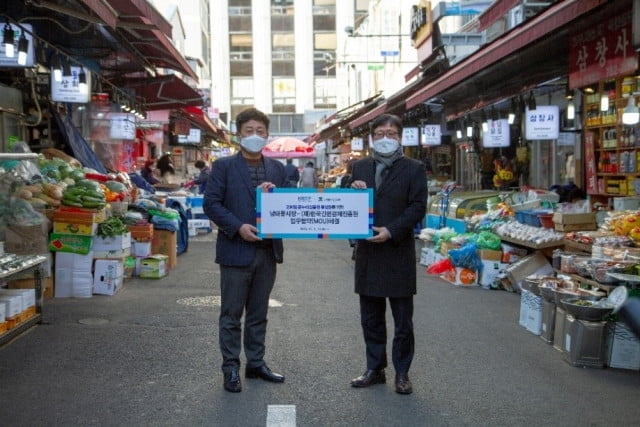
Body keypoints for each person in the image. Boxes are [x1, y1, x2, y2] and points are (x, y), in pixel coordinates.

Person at [203, 107, 287, 393]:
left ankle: (256, 363)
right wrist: (238, 227)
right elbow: (211, 204)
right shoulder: (224, 167)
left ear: (268, 135)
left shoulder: (277, 168)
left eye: (260, 131)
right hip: (235, 250)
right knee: (230, 314)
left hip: (267, 252)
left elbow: (288, 206)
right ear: (238, 135)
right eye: (249, 131)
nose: (255, 136)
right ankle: (230, 368)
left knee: (258, 313)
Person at [349, 114, 427, 395]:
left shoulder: (414, 169)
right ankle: (375, 368)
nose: (386, 138)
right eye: (380, 133)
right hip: (368, 251)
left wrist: (391, 230)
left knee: (403, 319)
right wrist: (352, 188)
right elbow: (345, 204)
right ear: (372, 138)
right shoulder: (359, 167)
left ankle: (402, 372)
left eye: (391, 134)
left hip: (397, 251)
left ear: (400, 137)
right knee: (370, 316)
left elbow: (418, 207)